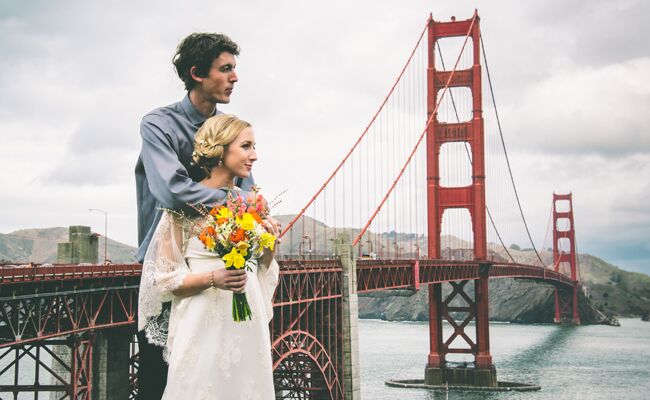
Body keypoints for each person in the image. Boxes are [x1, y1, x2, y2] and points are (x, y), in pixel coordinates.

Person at [135, 32, 280, 399]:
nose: (235, 78)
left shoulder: (232, 129)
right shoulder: (158, 124)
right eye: (226, 69)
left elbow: (249, 196)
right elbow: (170, 190)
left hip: (227, 275)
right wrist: (237, 206)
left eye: (235, 69)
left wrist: (258, 223)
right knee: (163, 382)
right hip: (167, 265)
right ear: (197, 72)